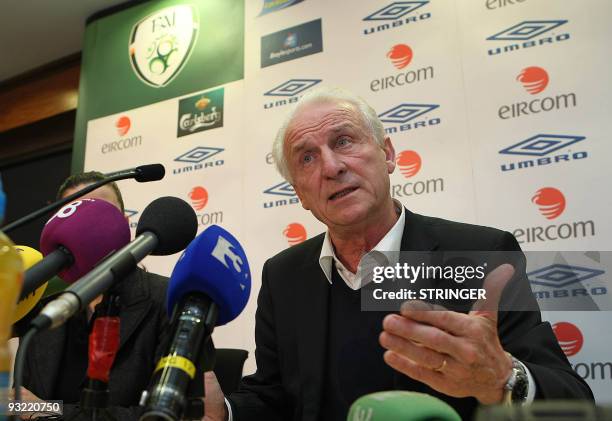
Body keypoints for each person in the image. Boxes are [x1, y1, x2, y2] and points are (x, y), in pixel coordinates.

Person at [202, 87, 593, 421]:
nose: (332, 166)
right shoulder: (284, 276)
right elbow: (275, 396)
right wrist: (226, 413)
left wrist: (503, 379)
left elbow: (572, 401)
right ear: (300, 194)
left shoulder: (479, 255)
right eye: (307, 158)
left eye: (344, 141)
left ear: (387, 155)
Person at [12, 171, 170, 420]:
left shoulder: (166, 299)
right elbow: (20, 406)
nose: (86, 228)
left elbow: (163, 415)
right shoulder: (43, 310)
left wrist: (48, 411)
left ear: (125, 222)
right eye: (76, 216)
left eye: (99, 213)